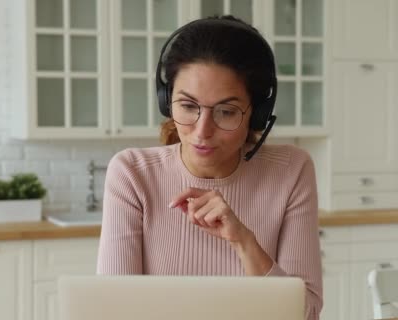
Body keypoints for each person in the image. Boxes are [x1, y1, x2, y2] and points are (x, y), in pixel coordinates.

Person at [97, 15, 322, 320]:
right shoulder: (133, 173)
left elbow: (305, 315)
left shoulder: (291, 170)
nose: (202, 131)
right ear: (166, 101)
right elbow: (113, 311)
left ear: (257, 114)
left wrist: (244, 241)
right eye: (188, 106)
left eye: (226, 111)